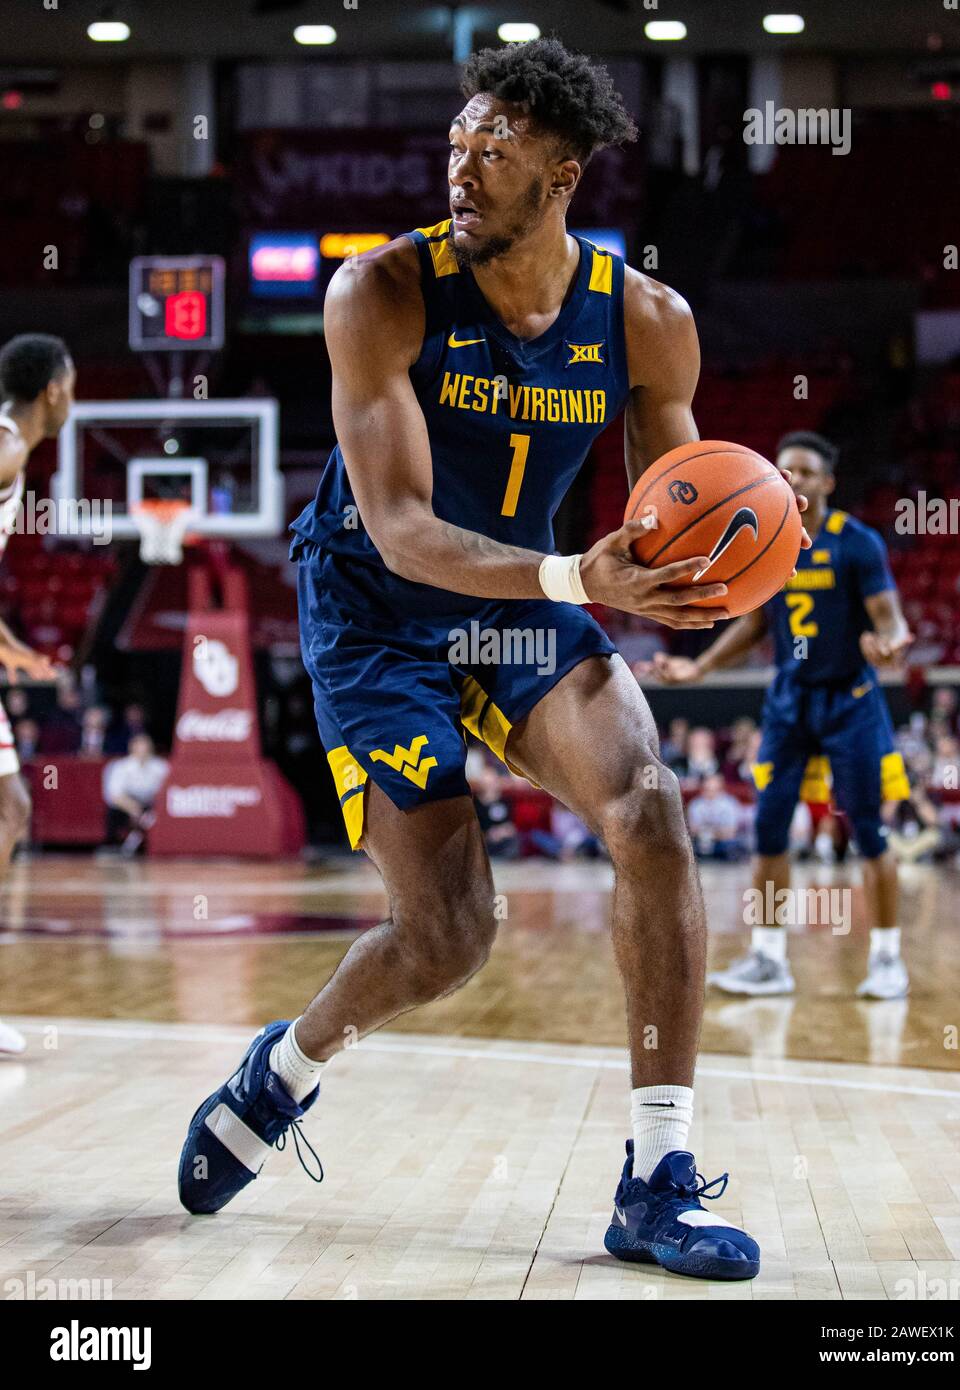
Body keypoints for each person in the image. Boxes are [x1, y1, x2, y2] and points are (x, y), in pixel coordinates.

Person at [178, 38, 810, 1282]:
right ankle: (284, 1068)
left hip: (519, 598)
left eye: (494, 151)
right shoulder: (379, 293)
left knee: (652, 809)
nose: (462, 169)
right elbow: (407, 530)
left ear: (561, 174)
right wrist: (583, 577)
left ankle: (657, 1175)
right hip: (373, 606)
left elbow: (670, 501)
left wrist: (693, 575)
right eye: (456, 146)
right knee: (448, 937)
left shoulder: (643, 322)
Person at [643, 431, 913, 999]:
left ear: (828, 483)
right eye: (784, 469)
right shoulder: (773, 541)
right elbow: (758, 624)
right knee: (768, 830)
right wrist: (701, 669)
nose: (793, 479)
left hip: (851, 700)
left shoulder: (857, 543)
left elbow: (890, 618)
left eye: (805, 471)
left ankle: (887, 959)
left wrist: (892, 642)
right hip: (790, 699)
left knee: (869, 830)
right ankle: (769, 959)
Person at [0, 333, 71, 1054]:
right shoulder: (9, 447)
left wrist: (14, 652)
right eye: (71, 383)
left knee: (11, 808)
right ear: (54, 387)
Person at [101, 733, 168, 855]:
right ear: (132, 747)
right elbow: (115, 795)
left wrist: (152, 810)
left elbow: (168, 792)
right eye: (140, 746)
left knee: (153, 814)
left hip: (152, 805)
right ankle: (112, 844)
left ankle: (136, 845)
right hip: (127, 805)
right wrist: (135, 810)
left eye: (146, 746)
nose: (143, 749)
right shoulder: (121, 766)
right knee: (113, 813)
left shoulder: (161, 767)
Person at [687, 773, 747, 861]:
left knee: (733, 845)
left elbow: (731, 831)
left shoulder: (730, 803)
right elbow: (691, 830)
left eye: (714, 789)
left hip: (722, 843)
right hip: (701, 842)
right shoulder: (696, 804)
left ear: (721, 790)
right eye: (707, 789)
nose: (710, 792)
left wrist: (710, 833)